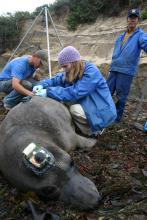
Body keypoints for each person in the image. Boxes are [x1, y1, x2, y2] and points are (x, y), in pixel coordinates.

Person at [33, 46, 117, 137]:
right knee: (64, 102)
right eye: (62, 67)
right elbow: (57, 79)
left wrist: (48, 92)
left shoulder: (91, 72)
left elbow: (75, 92)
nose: (64, 69)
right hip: (88, 102)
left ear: (74, 63)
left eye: (65, 66)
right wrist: (41, 84)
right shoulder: (72, 70)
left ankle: (93, 131)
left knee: (74, 110)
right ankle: (83, 125)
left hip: (101, 108)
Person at [107, 9, 147, 122]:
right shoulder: (121, 36)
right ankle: (106, 113)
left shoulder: (141, 35)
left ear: (138, 20)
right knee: (106, 92)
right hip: (114, 68)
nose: (132, 20)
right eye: (130, 17)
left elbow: (146, 43)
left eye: (135, 18)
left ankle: (116, 118)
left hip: (126, 71)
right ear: (127, 19)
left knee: (121, 96)